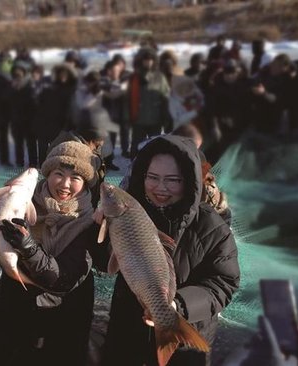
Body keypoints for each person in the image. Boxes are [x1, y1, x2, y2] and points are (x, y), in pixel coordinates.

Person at [102, 135, 240, 366]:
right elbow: (102, 261)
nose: (161, 188)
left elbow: (223, 284)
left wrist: (177, 306)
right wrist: (101, 227)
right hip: (127, 334)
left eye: (172, 180)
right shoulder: (131, 212)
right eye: (152, 177)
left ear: (189, 181)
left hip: (186, 344)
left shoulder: (213, 227)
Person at [0, 141, 107, 366]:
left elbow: (64, 278)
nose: (65, 184)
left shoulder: (91, 221)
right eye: (58, 174)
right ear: (47, 173)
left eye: (76, 178)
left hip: (66, 317)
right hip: (16, 310)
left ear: (86, 182)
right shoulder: (23, 202)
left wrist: (29, 248)